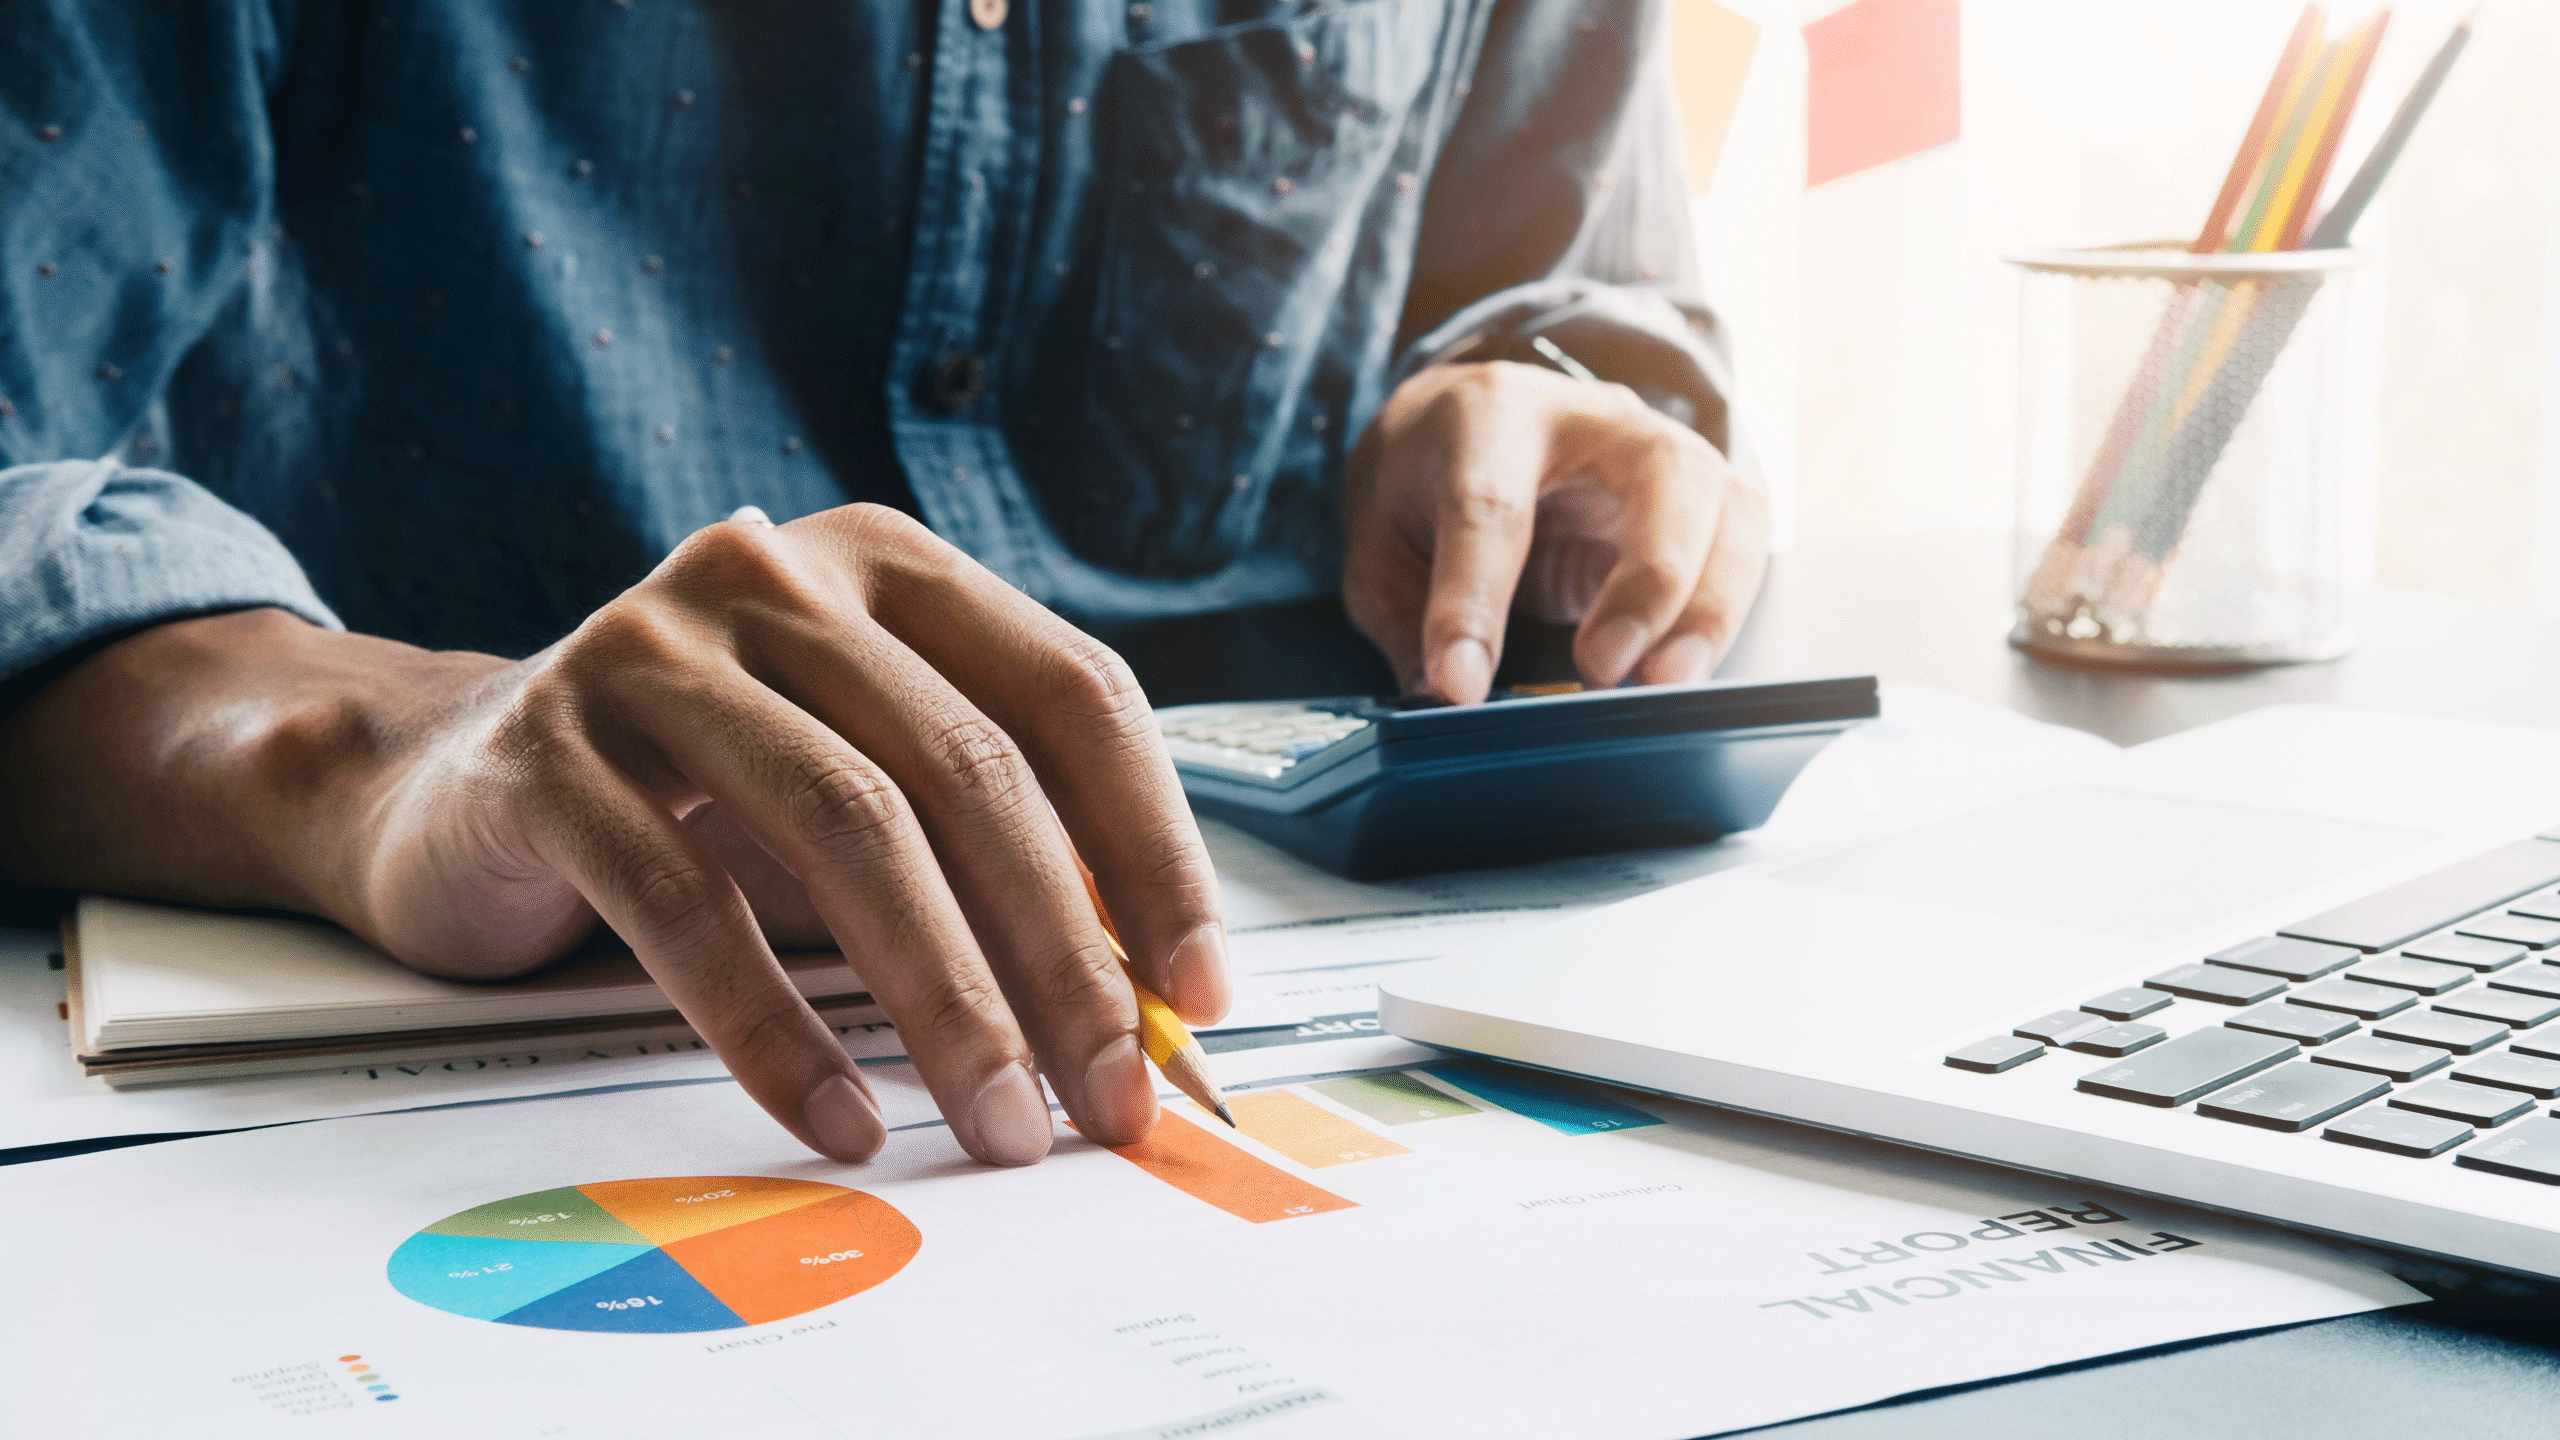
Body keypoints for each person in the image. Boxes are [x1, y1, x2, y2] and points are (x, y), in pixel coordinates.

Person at [0, 0, 1764, 1167]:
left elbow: (1571, 288)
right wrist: (377, 742)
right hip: (485, 1044)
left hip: (1367, 961)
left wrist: (1546, 401)